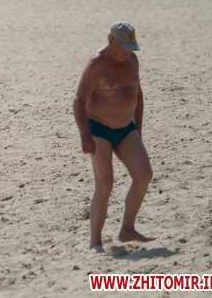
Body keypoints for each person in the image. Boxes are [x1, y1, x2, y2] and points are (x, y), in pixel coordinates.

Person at [73, 21, 155, 252]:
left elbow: (138, 95)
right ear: (110, 41)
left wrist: (138, 130)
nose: (127, 52)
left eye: (131, 47)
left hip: (126, 128)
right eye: (123, 48)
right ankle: (95, 242)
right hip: (99, 129)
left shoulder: (132, 60)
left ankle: (127, 229)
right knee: (105, 185)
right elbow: (79, 100)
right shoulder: (96, 63)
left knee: (144, 174)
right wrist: (85, 135)